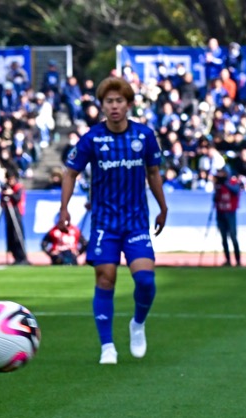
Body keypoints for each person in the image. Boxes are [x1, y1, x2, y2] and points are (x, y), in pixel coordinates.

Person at [57, 76, 168, 365]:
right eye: (109, 101)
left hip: (135, 222)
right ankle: (107, 345)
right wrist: (64, 208)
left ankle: (138, 324)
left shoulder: (144, 136)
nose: (115, 106)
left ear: (129, 105)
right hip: (105, 223)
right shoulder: (92, 138)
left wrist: (163, 206)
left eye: (120, 101)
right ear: (102, 106)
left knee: (145, 280)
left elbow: (154, 174)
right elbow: (70, 172)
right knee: (106, 278)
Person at [214, 169, 241, 266]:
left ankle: (238, 260)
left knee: (233, 237)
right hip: (220, 213)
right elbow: (215, 198)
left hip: (230, 213)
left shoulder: (233, 182)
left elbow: (236, 191)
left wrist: (225, 183)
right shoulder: (218, 185)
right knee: (224, 238)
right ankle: (228, 260)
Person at [0, 172, 29, 265]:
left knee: (18, 236)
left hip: (17, 213)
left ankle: (22, 257)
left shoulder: (18, 187)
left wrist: (11, 193)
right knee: (10, 236)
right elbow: (2, 200)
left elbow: (17, 198)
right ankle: (15, 257)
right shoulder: (6, 187)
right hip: (8, 214)